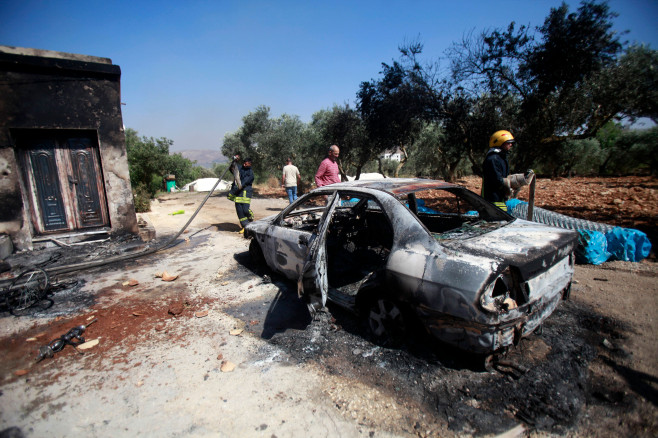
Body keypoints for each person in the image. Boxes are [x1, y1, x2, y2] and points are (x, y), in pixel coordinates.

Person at [481, 130, 533, 212]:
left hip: (500, 198)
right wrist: (516, 181)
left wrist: (522, 178)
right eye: (508, 143)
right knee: (496, 221)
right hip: (492, 199)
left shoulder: (500, 158)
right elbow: (497, 180)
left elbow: (503, 178)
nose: (511, 145)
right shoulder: (493, 159)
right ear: (500, 143)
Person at [227, 157, 254, 233]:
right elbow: (232, 168)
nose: (244, 164)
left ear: (250, 164)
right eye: (244, 163)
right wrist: (234, 160)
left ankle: (250, 217)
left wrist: (232, 192)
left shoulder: (250, 173)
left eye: (247, 163)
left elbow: (242, 183)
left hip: (246, 192)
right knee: (239, 211)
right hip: (238, 193)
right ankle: (244, 226)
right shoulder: (239, 168)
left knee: (245, 210)